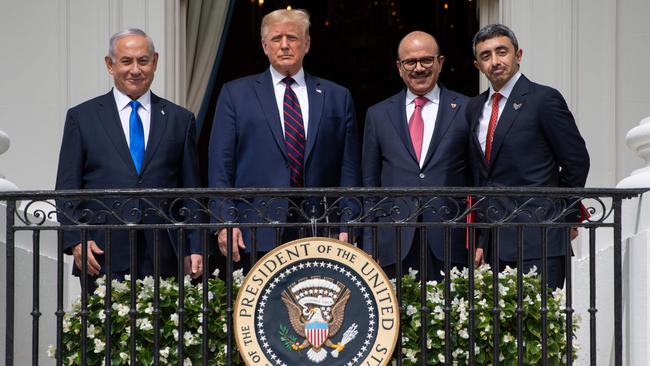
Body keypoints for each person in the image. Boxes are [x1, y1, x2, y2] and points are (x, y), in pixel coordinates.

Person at [208, 9, 361, 271]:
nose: (285, 45)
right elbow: (221, 165)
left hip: (320, 229)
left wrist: (347, 225)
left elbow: (348, 169)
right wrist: (225, 221)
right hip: (253, 229)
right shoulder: (235, 94)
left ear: (307, 44)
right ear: (264, 46)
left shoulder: (337, 96)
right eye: (277, 38)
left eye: (292, 37)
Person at [55, 29, 203, 290]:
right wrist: (76, 240)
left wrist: (197, 246)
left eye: (143, 61)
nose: (135, 70)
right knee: (104, 332)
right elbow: (67, 188)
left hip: (164, 253)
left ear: (155, 62)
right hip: (102, 252)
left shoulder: (180, 120)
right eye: (126, 61)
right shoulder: (83, 117)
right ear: (110, 65)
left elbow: (192, 192)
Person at [466, 24, 590, 288]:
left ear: (518, 55)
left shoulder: (543, 99)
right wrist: (480, 239)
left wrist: (566, 216)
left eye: (502, 52)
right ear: (477, 65)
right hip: (493, 245)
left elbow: (576, 161)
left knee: (541, 328)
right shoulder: (474, 107)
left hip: (540, 238)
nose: (495, 61)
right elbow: (481, 177)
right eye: (486, 56)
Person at [362, 31, 470, 281]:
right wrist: (369, 245)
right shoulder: (378, 115)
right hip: (393, 243)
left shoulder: (467, 109)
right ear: (399, 67)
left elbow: (478, 178)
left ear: (440, 62)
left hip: (450, 240)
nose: (418, 68)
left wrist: (479, 241)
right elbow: (369, 186)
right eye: (410, 62)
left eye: (426, 60)